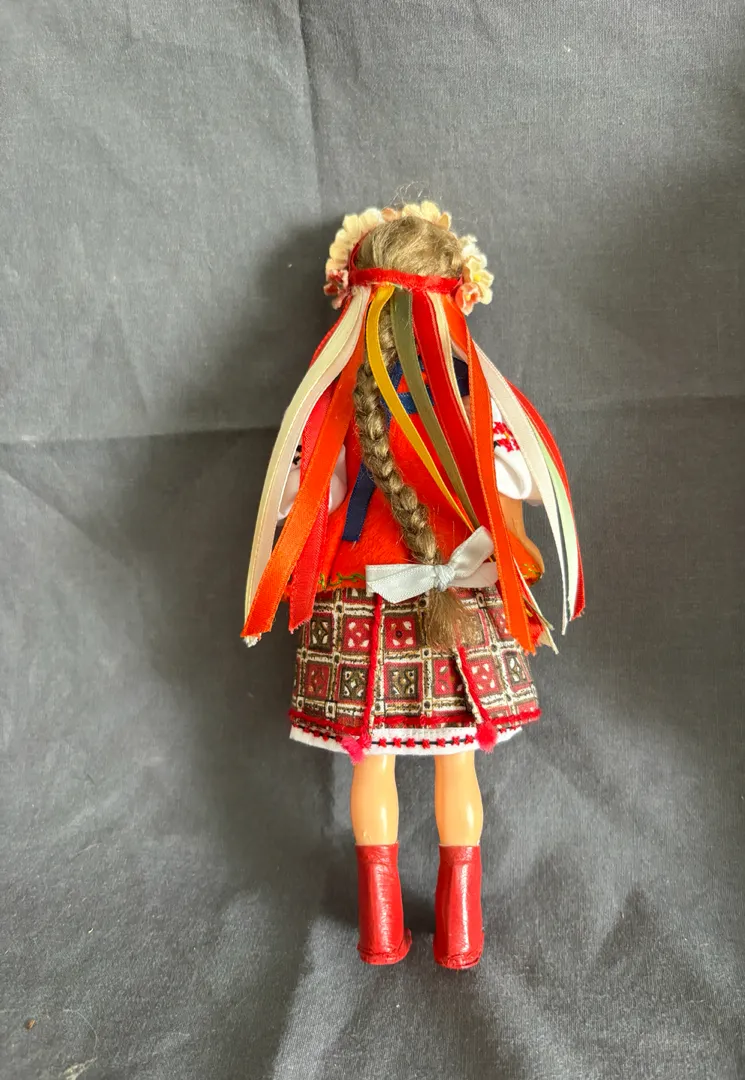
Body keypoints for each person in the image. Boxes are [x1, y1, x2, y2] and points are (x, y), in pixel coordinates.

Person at [242, 201, 584, 968]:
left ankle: (380, 929)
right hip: (460, 601)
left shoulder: (338, 403)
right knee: (458, 764)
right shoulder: (475, 401)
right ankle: (460, 933)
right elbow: (526, 479)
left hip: (361, 606)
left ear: (357, 300)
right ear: (454, 299)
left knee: (373, 763)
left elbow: (307, 498)